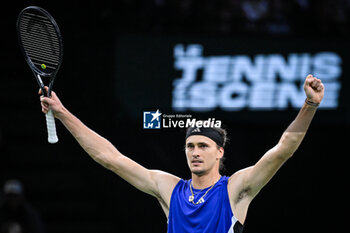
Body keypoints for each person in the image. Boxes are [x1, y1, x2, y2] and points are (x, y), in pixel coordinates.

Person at [39, 74, 324, 232]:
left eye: (203, 146)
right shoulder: (169, 188)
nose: (195, 152)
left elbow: (282, 150)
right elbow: (109, 158)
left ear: (219, 152)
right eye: (190, 146)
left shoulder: (236, 188)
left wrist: (309, 106)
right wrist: (63, 113)